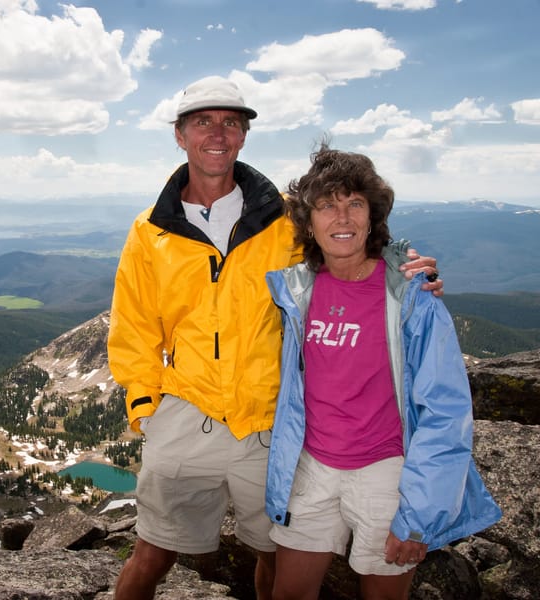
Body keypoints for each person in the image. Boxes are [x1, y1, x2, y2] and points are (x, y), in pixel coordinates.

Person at [107, 76, 443, 600]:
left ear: (243, 136)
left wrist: (405, 267)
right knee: (152, 551)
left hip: (269, 421)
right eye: (203, 122)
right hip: (184, 411)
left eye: (231, 123)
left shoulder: (285, 217)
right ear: (180, 135)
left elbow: (347, 242)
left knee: (276, 554)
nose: (218, 134)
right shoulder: (150, 230)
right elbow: (133, 328)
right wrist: (145, 407)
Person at [264, 144, 501, 600]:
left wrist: (420, 517)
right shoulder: (298, 290)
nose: (343, 218)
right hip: (310, 466)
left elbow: (445, 410)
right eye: (326, 206)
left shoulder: (410, 296)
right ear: (308, 222)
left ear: (373, 216)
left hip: (386, 473)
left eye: (355, 203)